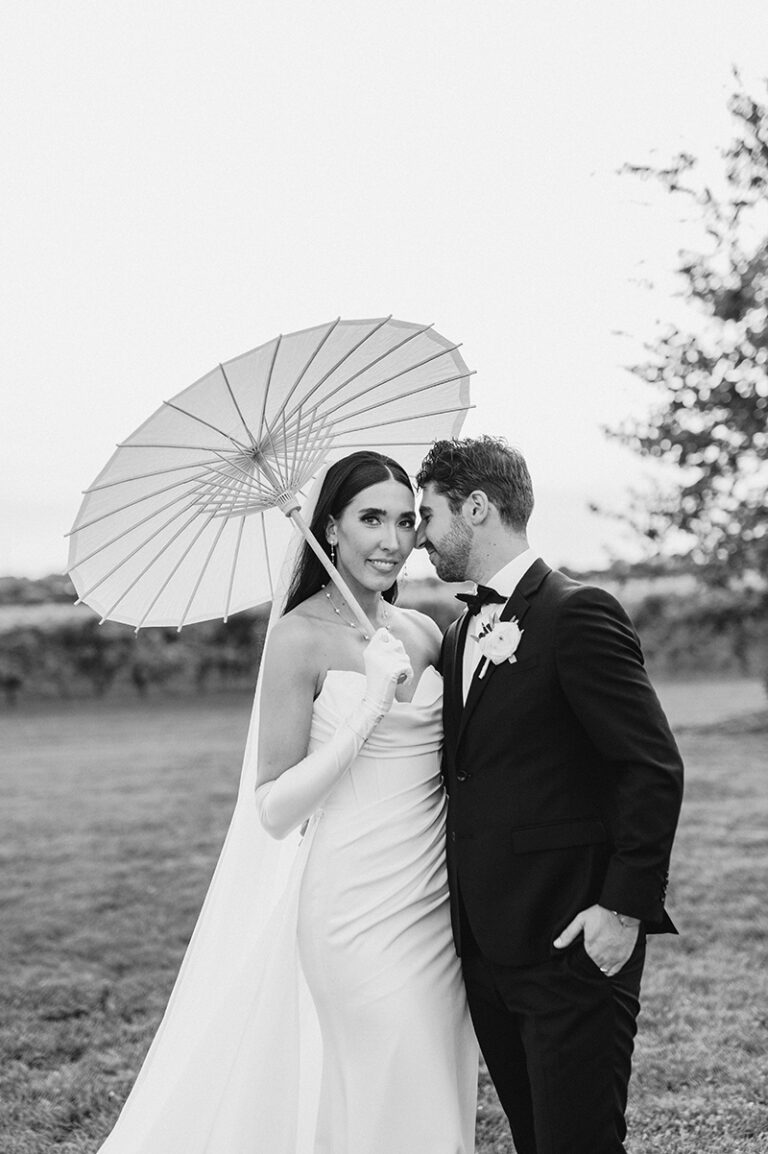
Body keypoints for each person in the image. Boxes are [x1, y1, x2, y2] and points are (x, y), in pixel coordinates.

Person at [95, 450, 478, 1154]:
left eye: (405, 520)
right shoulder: (297, 639)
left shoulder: (424, 633)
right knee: (387, 1091)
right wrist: (366, 705)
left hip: (435, 911)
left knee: (432, 1087)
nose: (391, 541)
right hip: (355, 913)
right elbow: (273, 808)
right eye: (370, 519)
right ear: (329, 529)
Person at [415, 436, 684, 1154]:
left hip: (572, 945)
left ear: (476, 508)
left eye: (427, 515)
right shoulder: (458, 631)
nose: (419, 539)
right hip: (488, 951)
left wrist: (622, 911)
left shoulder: (578, 613)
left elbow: (651, 767)